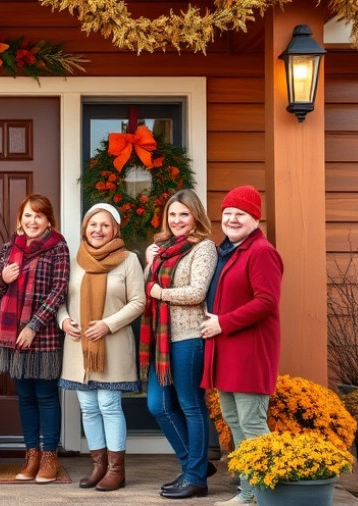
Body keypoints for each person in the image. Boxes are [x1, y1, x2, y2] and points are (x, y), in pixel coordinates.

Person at [200, 185, 283, 506]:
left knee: (251, 423)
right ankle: (250, 492)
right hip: (227, 352)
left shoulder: (262, 252)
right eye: (227, 213)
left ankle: (266, 494)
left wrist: (222, 322)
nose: (232, 219)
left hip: (249, 351)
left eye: (241, 214)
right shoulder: (228, 250)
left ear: (255, 219)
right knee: (235, 423)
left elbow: (267, 301)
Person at [58, 203, 145, 492]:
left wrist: (108, 323)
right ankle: (98, 466)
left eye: (105, 225)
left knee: (108, 405)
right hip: (78, 346)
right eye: (93, 224)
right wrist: (65, 321)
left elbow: (138, 302)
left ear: (115, 229)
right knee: (88, 406)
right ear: (85, 228)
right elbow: (61, 300)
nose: (98, 230)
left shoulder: (128, 260)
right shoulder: (75, 261)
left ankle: (116, 469)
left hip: (113, 344)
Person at [140, 188, 218, 500]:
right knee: (157, 405)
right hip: (160, 338)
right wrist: (149, 262)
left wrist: (160, 293)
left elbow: (196, 292)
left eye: (183, 214)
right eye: (172, 214)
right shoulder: (162, 247)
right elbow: (146, 285)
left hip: (188, 337)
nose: (177, 220)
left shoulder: (204, 248)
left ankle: (196, 478)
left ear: (195, 215)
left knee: (190, 405)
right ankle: (193, 467)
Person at [0, 194, 69, 484]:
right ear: (19, 219)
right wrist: (4, 279)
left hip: (43, 334)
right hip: (13, 336)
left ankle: (49, 456)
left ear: (48, 220)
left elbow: (59, 290)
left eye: (39, 215)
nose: (32, 221)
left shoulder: (58, 247)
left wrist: (33, 325)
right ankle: (31, 454)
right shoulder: (10, 247)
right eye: (27, 215)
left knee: (46, 397)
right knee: (25, 398)